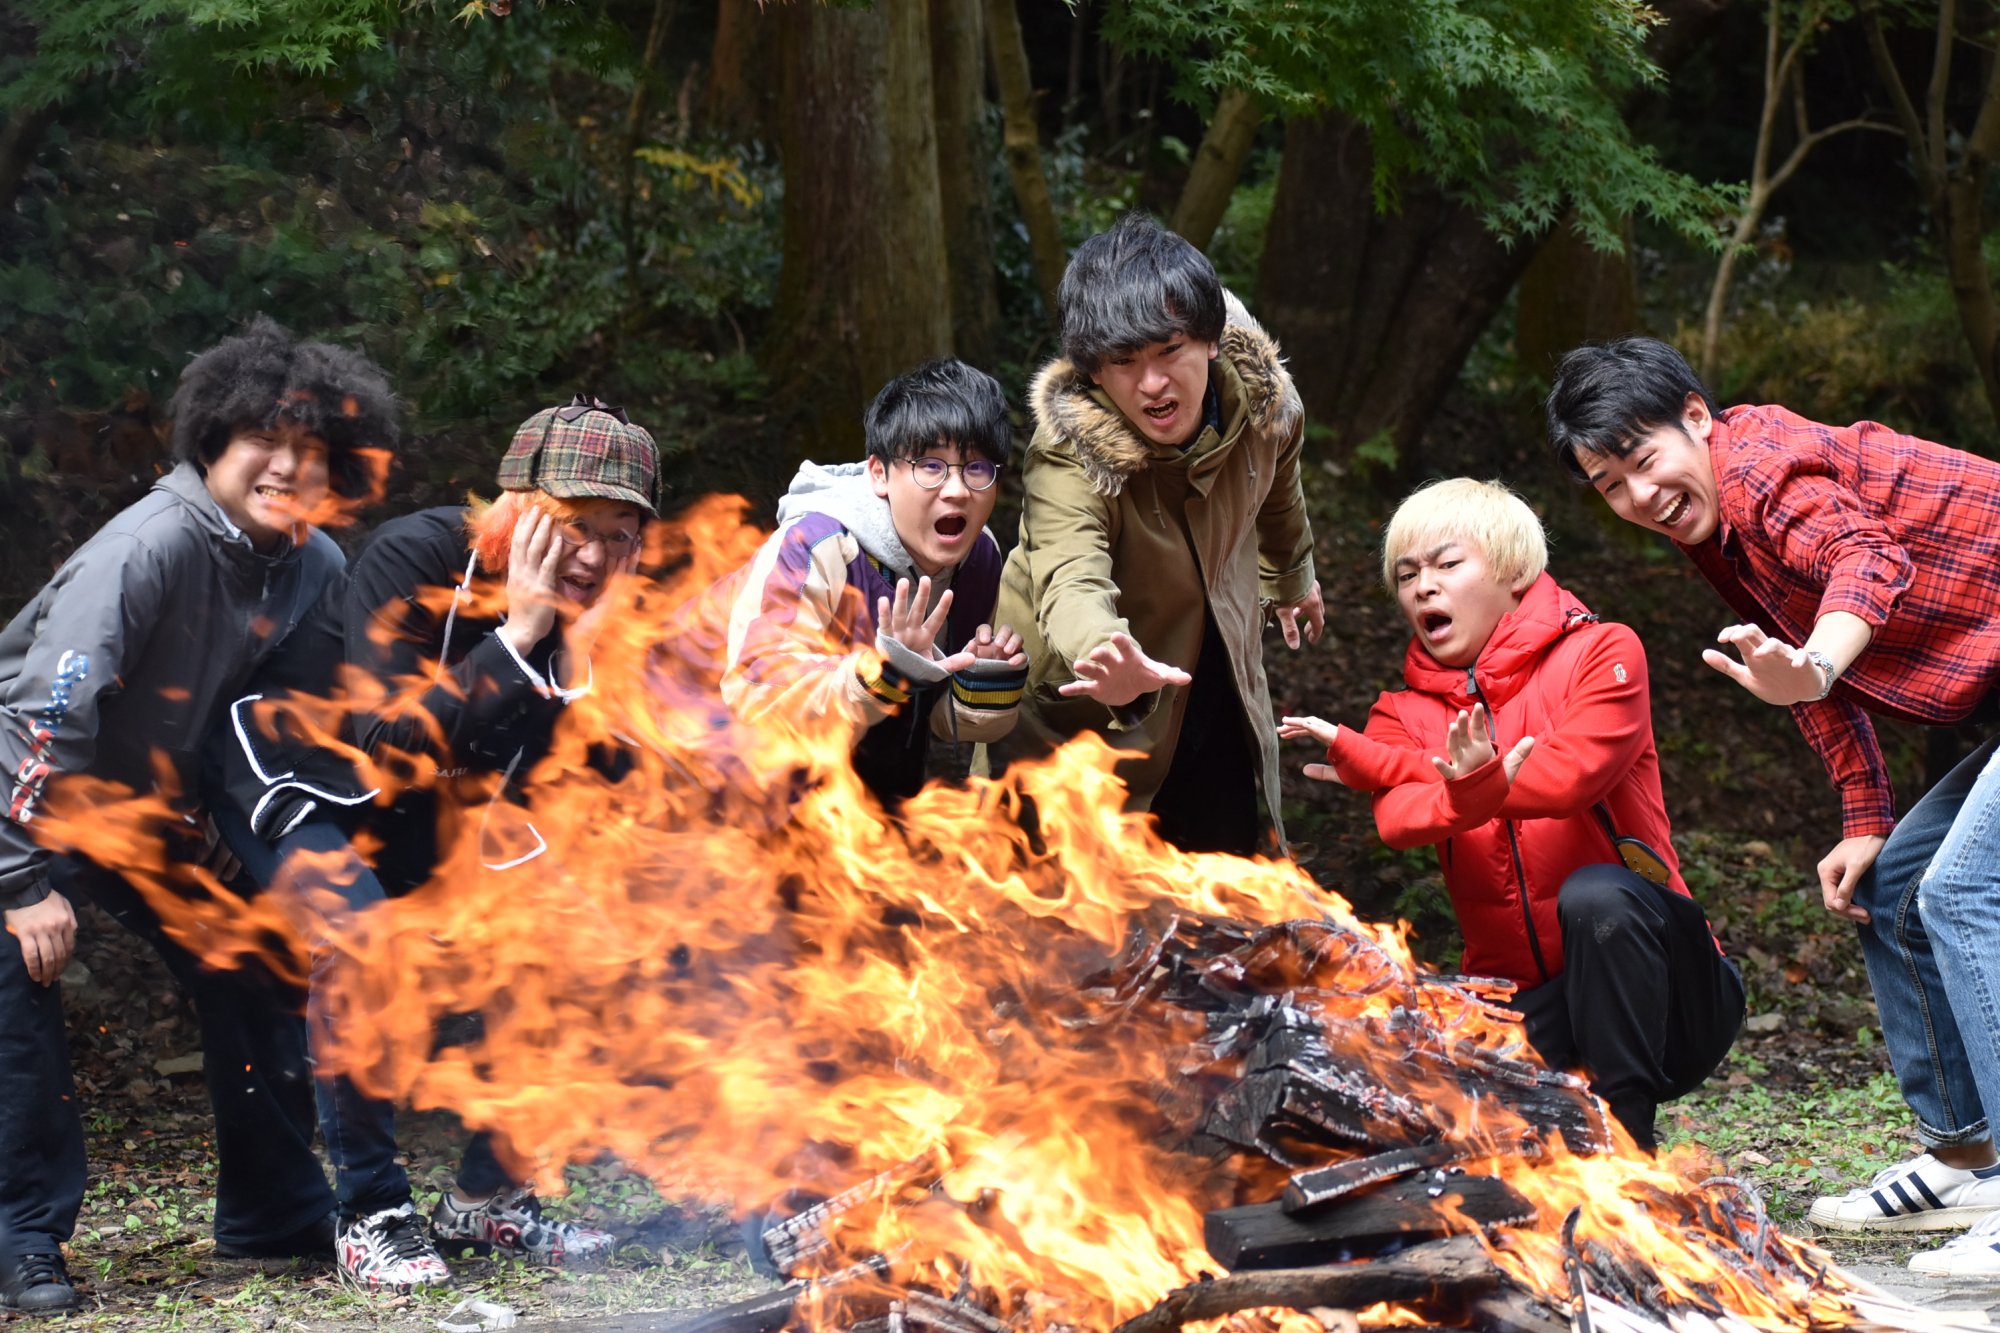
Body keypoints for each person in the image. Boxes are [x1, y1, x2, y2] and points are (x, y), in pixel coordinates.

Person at [1546, 337, 2000, 1263]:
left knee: (1959, 891)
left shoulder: (1760, 472)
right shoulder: (1715, 530)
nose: (1638, 495)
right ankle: (1965, 1150)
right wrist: (1865, 816)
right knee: (1898, 883)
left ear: (1698, 418)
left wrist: (1821, 662)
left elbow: (1862, 562)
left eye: (1643, 458)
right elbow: (1799, 669)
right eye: (1608, 483)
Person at [0, 317, 397, 1314]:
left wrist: (235, 833)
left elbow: (277, 729)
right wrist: (21, 883)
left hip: (143, 811)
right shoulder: (147, 548)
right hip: (21, 797)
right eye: (268, 440)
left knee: (256, 956)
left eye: (315, 452)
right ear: (213, 438)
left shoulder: (312, 567)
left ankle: (272, 1219)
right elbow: (45, 711)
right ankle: (19, 1238)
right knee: (15, 978)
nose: (288, 467)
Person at [217, 396, 651, 1292]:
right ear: (511, 504)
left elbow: (546, 776)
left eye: (619, 531)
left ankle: (488, 1198)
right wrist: (525, 631)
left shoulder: (594, 606)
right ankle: (370, 1211)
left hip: (438, 805)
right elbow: (389, 747)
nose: (592, 553)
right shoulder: (414, 552)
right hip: (300, 776)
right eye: (571, 523)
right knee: (365, 943)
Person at [1279, 479, 1742, 1152]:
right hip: (1526, 1006)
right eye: (1406, 574)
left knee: (1597, 895)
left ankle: (1632, 1153)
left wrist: (1389, 764)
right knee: (1425, 1125)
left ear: (1515, 571)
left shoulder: (1604, 652)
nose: (1422, 588)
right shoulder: (1400, 712)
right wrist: (1447, 779)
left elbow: (1565, 777)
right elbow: (1401, 820)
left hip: (1671, 994)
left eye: (1446, 563)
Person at [992, 212, 1321, 855]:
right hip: (1088, 723)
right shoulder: (1068, 451)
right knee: (1087, 931)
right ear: (1092, 370)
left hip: (1212, 676)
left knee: (1219, 892)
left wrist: (1290, 576)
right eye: (1124, 362)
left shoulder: (1266, 408)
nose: (1152, 383)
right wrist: (1104, 650)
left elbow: (1278, 484)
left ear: (1212, 342)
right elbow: (1067, 571)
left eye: (1170, 351)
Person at [723, 358, 1027, 804]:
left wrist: (980, 676)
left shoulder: (980, 559)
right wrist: (883, 670)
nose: (958, 489)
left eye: (976, 467)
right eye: (930, 465)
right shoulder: (815, 544)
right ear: (879, 474)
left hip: (868, 805)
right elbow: (756, 693)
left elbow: (941, 723)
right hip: (716, 772)